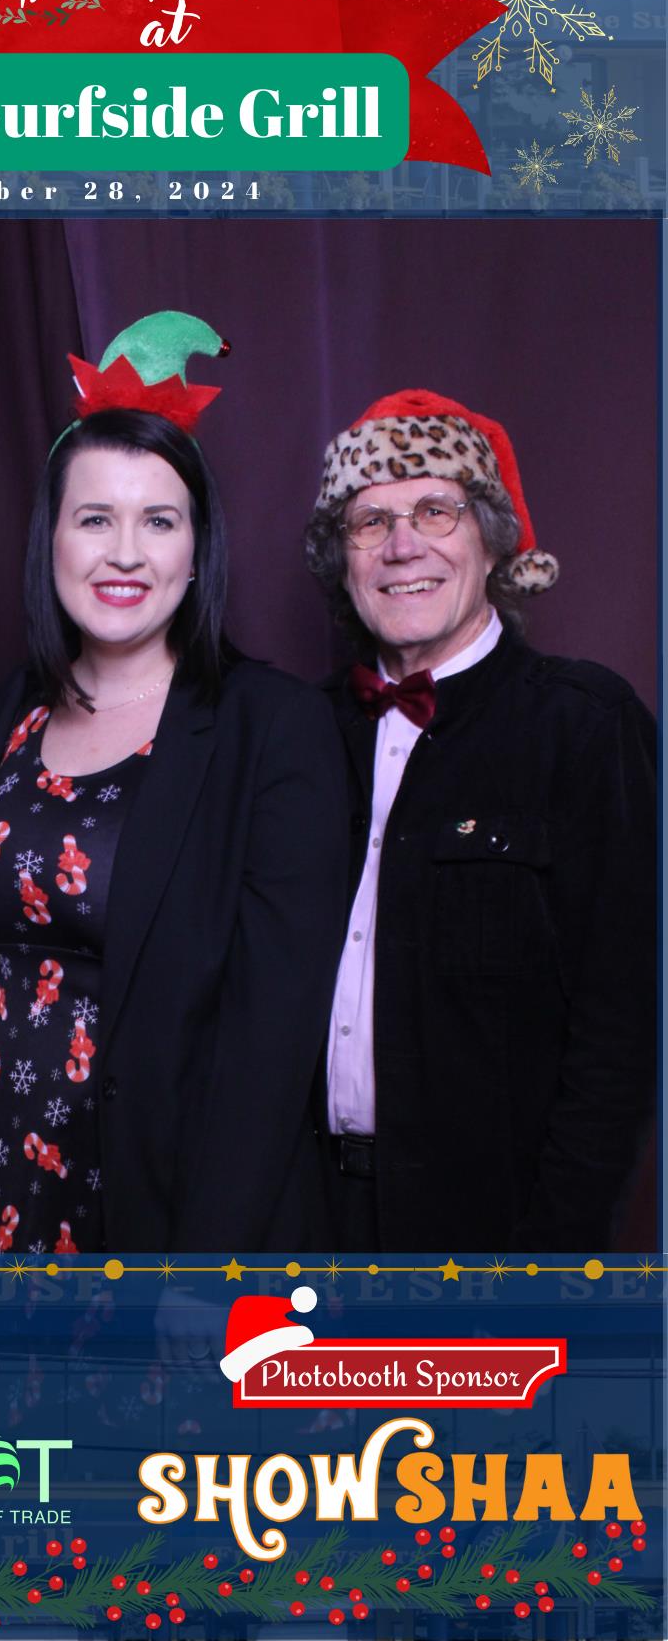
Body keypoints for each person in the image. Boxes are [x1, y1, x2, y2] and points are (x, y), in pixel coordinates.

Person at [0, 311, 348, 1256]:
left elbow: (274, 1039)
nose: (125, 552)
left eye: (158, 522)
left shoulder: (271, 727)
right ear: (52, 541)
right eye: (95, 519)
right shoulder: (19, 708)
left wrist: (201, 1272)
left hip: (161, 1202)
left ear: (197, 551)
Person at [304, 387, 656, 1253]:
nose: (402, 546)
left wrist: (552, 1256)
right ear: (342, 561)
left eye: (436, 510)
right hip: (307, 1222)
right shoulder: (299, 732)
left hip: (492, 1235)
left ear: (493, 540)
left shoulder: (585, 724)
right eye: (370, 521)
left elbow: (623, 1028)